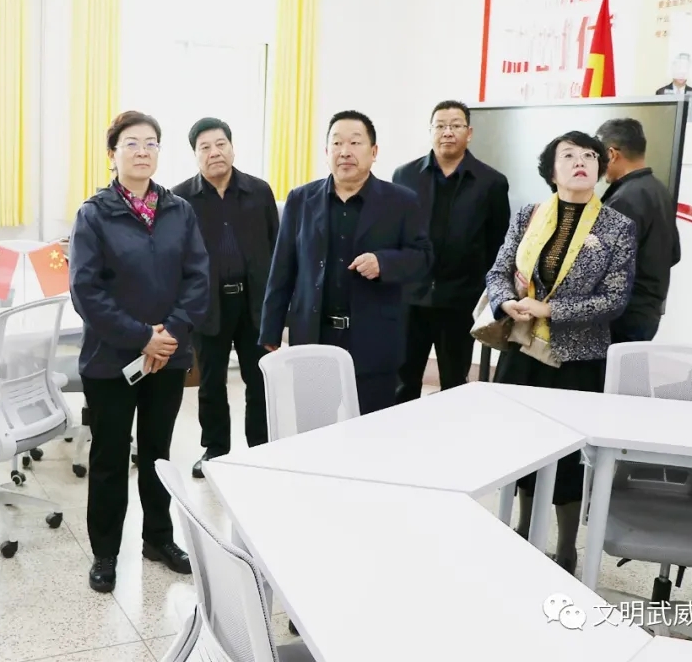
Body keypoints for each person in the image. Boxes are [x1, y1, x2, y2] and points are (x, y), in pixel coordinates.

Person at [68, 110, 211, 593]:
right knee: (110, 458)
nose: (143, 151)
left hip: (168, 357)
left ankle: (159, 539)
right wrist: (141, 337)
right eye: (132, 143)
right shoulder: (94, 214)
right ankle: (105, 553)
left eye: (151, 143)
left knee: (157, 453)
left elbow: (197, 277)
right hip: (111, 360)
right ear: (113, 154)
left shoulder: (179, 210)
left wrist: (169, 335)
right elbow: (86, 292)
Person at [486, 130, 636, 575]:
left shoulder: (616, 226)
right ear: (552, 171)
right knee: (521, 447)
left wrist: (551, 309)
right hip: (523, 350)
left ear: (600, 168)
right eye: (568, 155)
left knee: (568, 457)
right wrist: (505, 302)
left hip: (577, 360)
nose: (580, 161)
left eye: (589, 155)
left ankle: (567, 548)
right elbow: (498, 271)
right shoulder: (528, 215)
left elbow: (615, 300)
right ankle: (523, 530)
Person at [260, 110, 432, 414]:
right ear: (326, 152)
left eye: (355, 142)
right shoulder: (301, 199)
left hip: (373, 337)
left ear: (374, 152)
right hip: (314, 336)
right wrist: (271, 328)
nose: (345, 151)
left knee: (370, 425)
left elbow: (423, 259)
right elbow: (282, 268)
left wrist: (384, 262)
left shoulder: (401, 201)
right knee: (315, 422)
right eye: (337, 143)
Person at [173, 117, 279, 478]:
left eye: (221, 144)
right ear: (195, 155)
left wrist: (279, 309)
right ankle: (215, 450)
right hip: (208, 305)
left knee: (258, 379)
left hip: (255, 304)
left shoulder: (259, 191)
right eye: (205, 147)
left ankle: (260, 448)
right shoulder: (180, 199)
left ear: (232, 148)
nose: (214, 152)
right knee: (211, 382)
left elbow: (277, 248)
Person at [392, 100, 510, 403]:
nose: (448, 132)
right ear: (430, 131)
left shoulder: (492, 182)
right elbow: (394, 236)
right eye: (441, 126)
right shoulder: (404, 176)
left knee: (455, 383)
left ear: (469, 133)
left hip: (460, 300)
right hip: (410, 298)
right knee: (402, 380)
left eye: (456, 125)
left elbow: (498, 245)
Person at [595, 118, 681, 343]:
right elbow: (674, 254)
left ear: (612, 154)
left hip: (622, 316)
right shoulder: (659, 190)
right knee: (633, 366)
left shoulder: (623, 200)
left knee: (613, 367)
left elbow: (601, 266)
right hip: (648, 312)